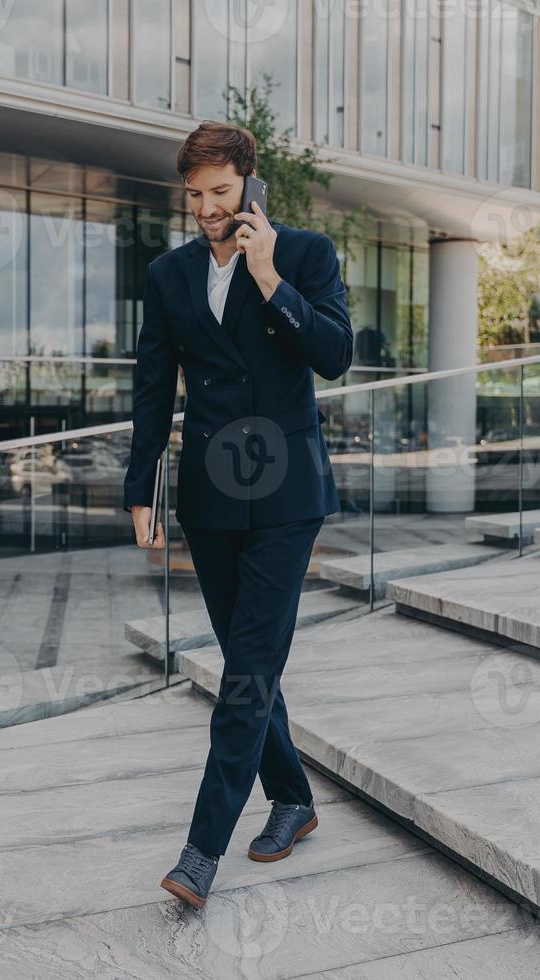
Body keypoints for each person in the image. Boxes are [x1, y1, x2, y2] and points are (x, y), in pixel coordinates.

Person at [122, 121, 353, 909]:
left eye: (220, 193)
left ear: (252, 186)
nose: (207, 208)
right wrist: (140, 486)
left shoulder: (306, 256)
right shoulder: (169, 275)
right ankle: (294, 797)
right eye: (195, 195)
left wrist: (268, 277)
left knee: (248, 673)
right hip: (209, 497)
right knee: (247, 663)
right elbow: (153, 385)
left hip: (288, 499)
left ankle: (200, 851)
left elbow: (335, 354)